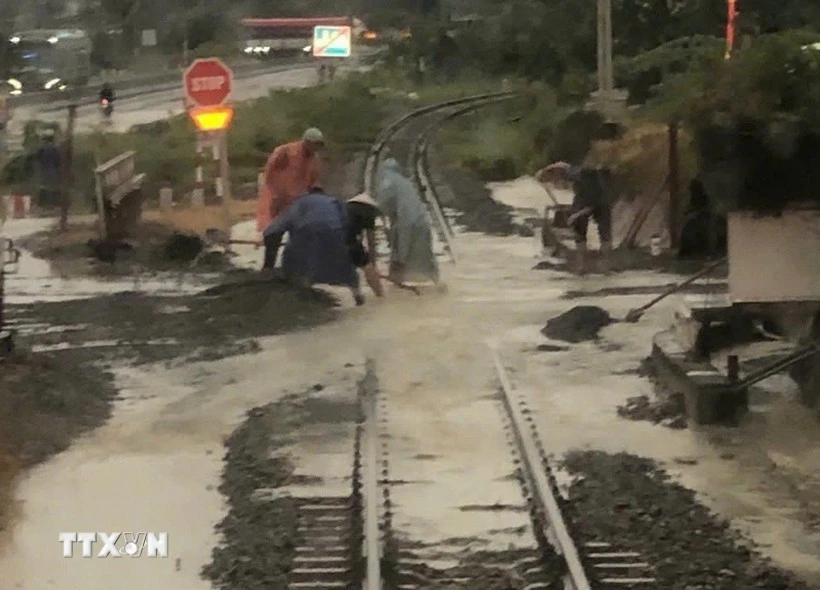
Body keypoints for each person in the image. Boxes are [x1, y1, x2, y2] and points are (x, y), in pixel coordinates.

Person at [262, 186, 365, 306]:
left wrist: (268, 265)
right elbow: (349, 227)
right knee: (346, 266)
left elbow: (271, 232)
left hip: (305, 236)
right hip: (334, 234)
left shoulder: (298, 204)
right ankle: (358, 296)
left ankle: (303, 295)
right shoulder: (334, 202)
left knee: (297, 268)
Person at [536, 161, 612, 274]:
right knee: (605, 234)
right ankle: (604, 267)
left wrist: (544, 171)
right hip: (601, 201)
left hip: (588, 201)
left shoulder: (578, 172)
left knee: (580, 233)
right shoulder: (597, 173)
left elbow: (562, 166)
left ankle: (583, 266)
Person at [376, 156, 439, 285]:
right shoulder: (405, 184)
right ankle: (436, 287)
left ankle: (402, 295)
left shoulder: (388, 182)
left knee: (404, 267)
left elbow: (382, 205)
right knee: (426, 263)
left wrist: (401, 259)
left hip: (409, 227)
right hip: (422, 224)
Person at [257, 128, 325, 239]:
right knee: (273, 230)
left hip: (296, 200)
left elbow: (314, 180)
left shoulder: (314, 159)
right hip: (277, 195)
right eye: (315, 144)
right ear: (307, 142)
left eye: (319, 145)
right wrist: (273, 192)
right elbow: (269, 170)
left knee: (298, 231)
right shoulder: (286, 151)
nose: (316, 148)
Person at [345, 193, 384, 297]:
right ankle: (381, 297)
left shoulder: (348, 207)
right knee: (367, 266)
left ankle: (358, 297)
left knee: (348, 265)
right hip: (348, 238)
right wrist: (373, 263)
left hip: (334, 236)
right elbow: (371, 239)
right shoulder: (368, 210)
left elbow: (359, 233)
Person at [35, 129, 61, 210]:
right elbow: (59, 160)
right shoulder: (55, 148)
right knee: (54, 187)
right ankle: (55, 205)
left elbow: (37, 158)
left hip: (44, 170)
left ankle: (42, 205)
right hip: (53, 170)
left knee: (43, 187)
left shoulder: (41, 148)